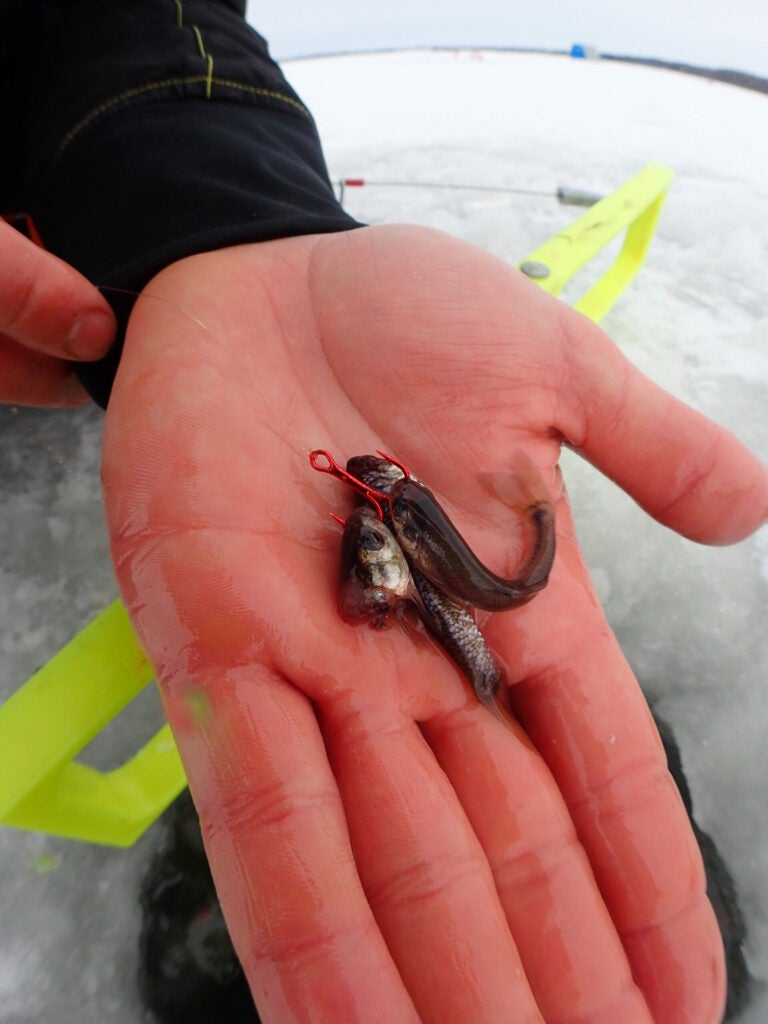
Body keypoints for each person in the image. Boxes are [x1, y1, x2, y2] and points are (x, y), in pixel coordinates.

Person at [2, 3, 767, 1022]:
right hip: (74, 334)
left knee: (464, 751)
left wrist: (201, 210)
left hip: (102, 255)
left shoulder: (397, 516)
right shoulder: (383, 528)